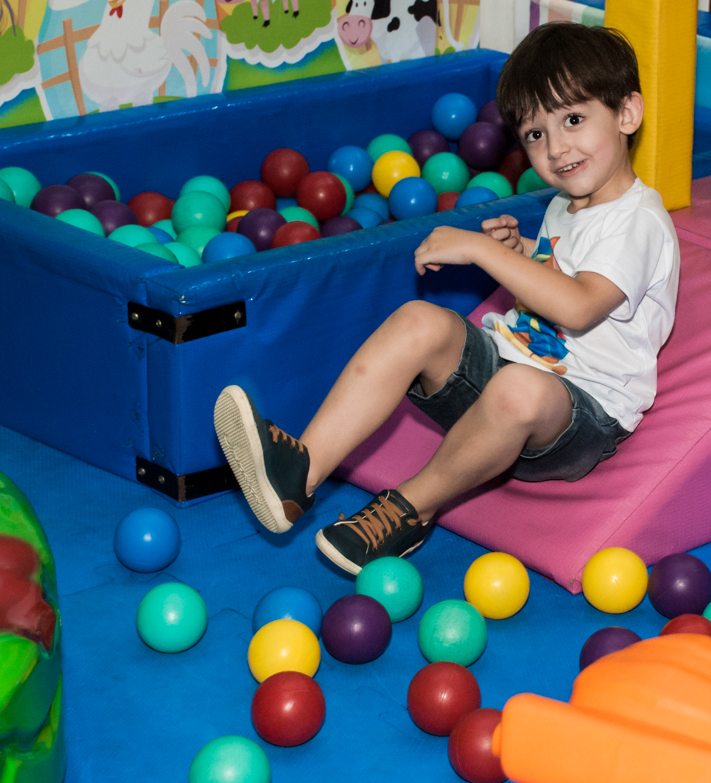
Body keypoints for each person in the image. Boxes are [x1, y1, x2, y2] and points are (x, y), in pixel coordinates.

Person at [213, 21, 680, 575]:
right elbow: (568, 270)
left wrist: (487, 254)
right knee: (419, 320)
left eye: (574, 120)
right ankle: (300, 473)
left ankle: (410, 508)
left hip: (578, 415)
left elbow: (580, 305)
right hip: (512, 367)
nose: (556, 148)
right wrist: (526, 249)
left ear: (627, 113)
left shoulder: (638, 220)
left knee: (519, 389)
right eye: (535, 134)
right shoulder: (569, 203)